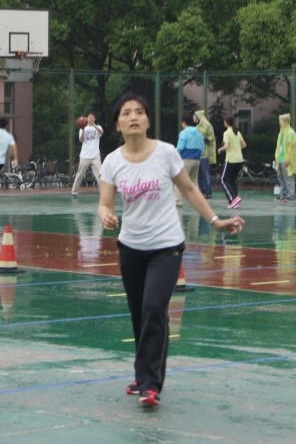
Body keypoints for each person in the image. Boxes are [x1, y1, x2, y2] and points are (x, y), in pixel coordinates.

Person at [98, 93, 243, 408]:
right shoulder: (112, 162)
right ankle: (143, 375)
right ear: (117, 124)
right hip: (130, 247)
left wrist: (216, 221)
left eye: (139, 112)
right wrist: (105, 215)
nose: (134, 117)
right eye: (126, 113)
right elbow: (104, 203)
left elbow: (189, 188)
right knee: (140, 313)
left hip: (166, 246)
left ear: (148, 120)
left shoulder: (165, 153)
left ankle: (150, 384)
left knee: (153, 307)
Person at [71, 113, 103, 197]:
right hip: (84, 156)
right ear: (86, 118)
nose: (91, 118)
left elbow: (101, 132)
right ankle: (74, 192)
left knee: (100, 175)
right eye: (90, 117)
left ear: (94, 119)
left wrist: (94, 125)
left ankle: (103, 192)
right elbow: (81, 140)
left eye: (93, 117)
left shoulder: (98, 127)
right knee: (80, 174)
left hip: (95, 156)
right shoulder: (82, 129)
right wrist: (83, 129)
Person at [217, 116, 246, 209]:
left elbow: (226, 146)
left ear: (226, 122)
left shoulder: (226, 133)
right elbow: (244, 145)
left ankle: (233, 199)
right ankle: (234, 203)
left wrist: (220, 150)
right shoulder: (237, 132)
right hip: (239, 159)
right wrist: (236, 148)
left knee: (223, 179)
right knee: (232, 180)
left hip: (231, 159)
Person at [174, 116, 203, 207]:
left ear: (184, 123)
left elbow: (180, 147)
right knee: (194, 182)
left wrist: (173, 153)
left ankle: (177, 201)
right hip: (197, 159)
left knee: (179, 180)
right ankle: (198, 201)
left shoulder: (183, 133)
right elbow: (203, 147)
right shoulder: (199, 132)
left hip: (186, 159)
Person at [274, 113, 296, 202]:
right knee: (281, 178)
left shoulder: (290, 132)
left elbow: (290, 147)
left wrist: (288, 159)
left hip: (286, 159)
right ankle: (283, 195)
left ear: (285, 121)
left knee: (288, 178)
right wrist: (277, 158)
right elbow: (279, 146)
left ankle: (290, 195)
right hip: (280, 159)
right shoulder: (281, 132)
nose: (279, 123)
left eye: (280, 121)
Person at [193, 110, 216, 198]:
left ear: (198, 116)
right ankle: (202, 190)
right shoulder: (197, 127)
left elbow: (212, 137)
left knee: (205, 172)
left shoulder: (207, 125)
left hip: (205, 153)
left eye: (194, 116)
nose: (193, 118)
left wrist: (207, 139)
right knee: (199, 173)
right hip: (198, 153)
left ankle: (208, 191)